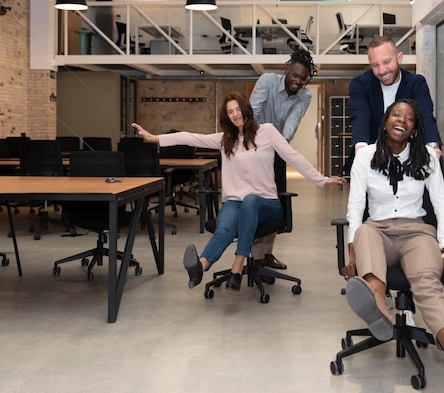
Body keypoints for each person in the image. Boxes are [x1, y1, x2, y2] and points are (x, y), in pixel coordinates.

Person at [132, 91, 345, 292]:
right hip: (235, 202)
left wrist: (322, 180)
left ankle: (238, 262)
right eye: (230, 112)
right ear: (226, 116)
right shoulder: (226, 139)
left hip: (267, 204)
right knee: (225, 227)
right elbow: (191, 138)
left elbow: (293, 157)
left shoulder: (267, 132)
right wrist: (154, 138)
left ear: (246, 109)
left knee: (251, 200)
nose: (236, 114)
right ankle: (200, 266)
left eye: (238, 109)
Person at [341, 98, 444, 390]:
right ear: (385, 122)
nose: (402, 120)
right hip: (377, 231)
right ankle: (379, 308)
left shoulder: (427, 158)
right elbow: (355, 208)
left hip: (416, 232)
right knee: (365, 231)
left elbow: (442, 206)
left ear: (415, 130)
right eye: (396, 114)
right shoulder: (365, 157)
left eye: (409, 118)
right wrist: (351, 251)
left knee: (427, 284)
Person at [249, 48, 317, 271]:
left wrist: (281, 144)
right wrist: (259, 143)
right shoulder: (267, 80)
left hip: (276, 151)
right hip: (253, 149)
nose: (298, 82)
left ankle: (266, 255)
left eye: (303, 79)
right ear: (287, 69)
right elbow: (252, 113)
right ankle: (254, 257)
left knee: (274, 203)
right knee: (254, 202)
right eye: (295, 75)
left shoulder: (304, 96)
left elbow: (291, 124)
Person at [346, 36, 443, 174]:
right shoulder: (361, 84)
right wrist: (361, 148)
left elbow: (425, 115)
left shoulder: (416, 83)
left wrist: (432, 146)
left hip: (409, 156)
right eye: (375, 65)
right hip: (375, 157)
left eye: (387, 62)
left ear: (399, 58)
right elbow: (360, 116)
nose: (382, 70)